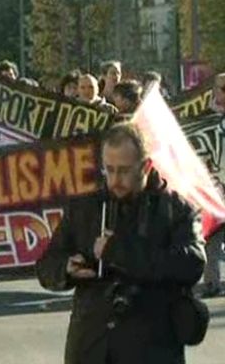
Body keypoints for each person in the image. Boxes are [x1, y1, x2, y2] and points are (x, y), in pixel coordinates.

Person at [37, 122, 206, 364]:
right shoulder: (85, 208)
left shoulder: (176, 210)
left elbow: (191, 264)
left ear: (146, 166)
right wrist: (66, 267)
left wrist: (117, 251)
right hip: (90, 345)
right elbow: (46, 265)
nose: (115, 179)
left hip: (151, 347)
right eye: (109, 169)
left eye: (124, 171)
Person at [202, 73, 225, 297]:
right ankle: (212, 282)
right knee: (213, 236)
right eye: (222, 88)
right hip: (215, 185)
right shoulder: (203, 118)